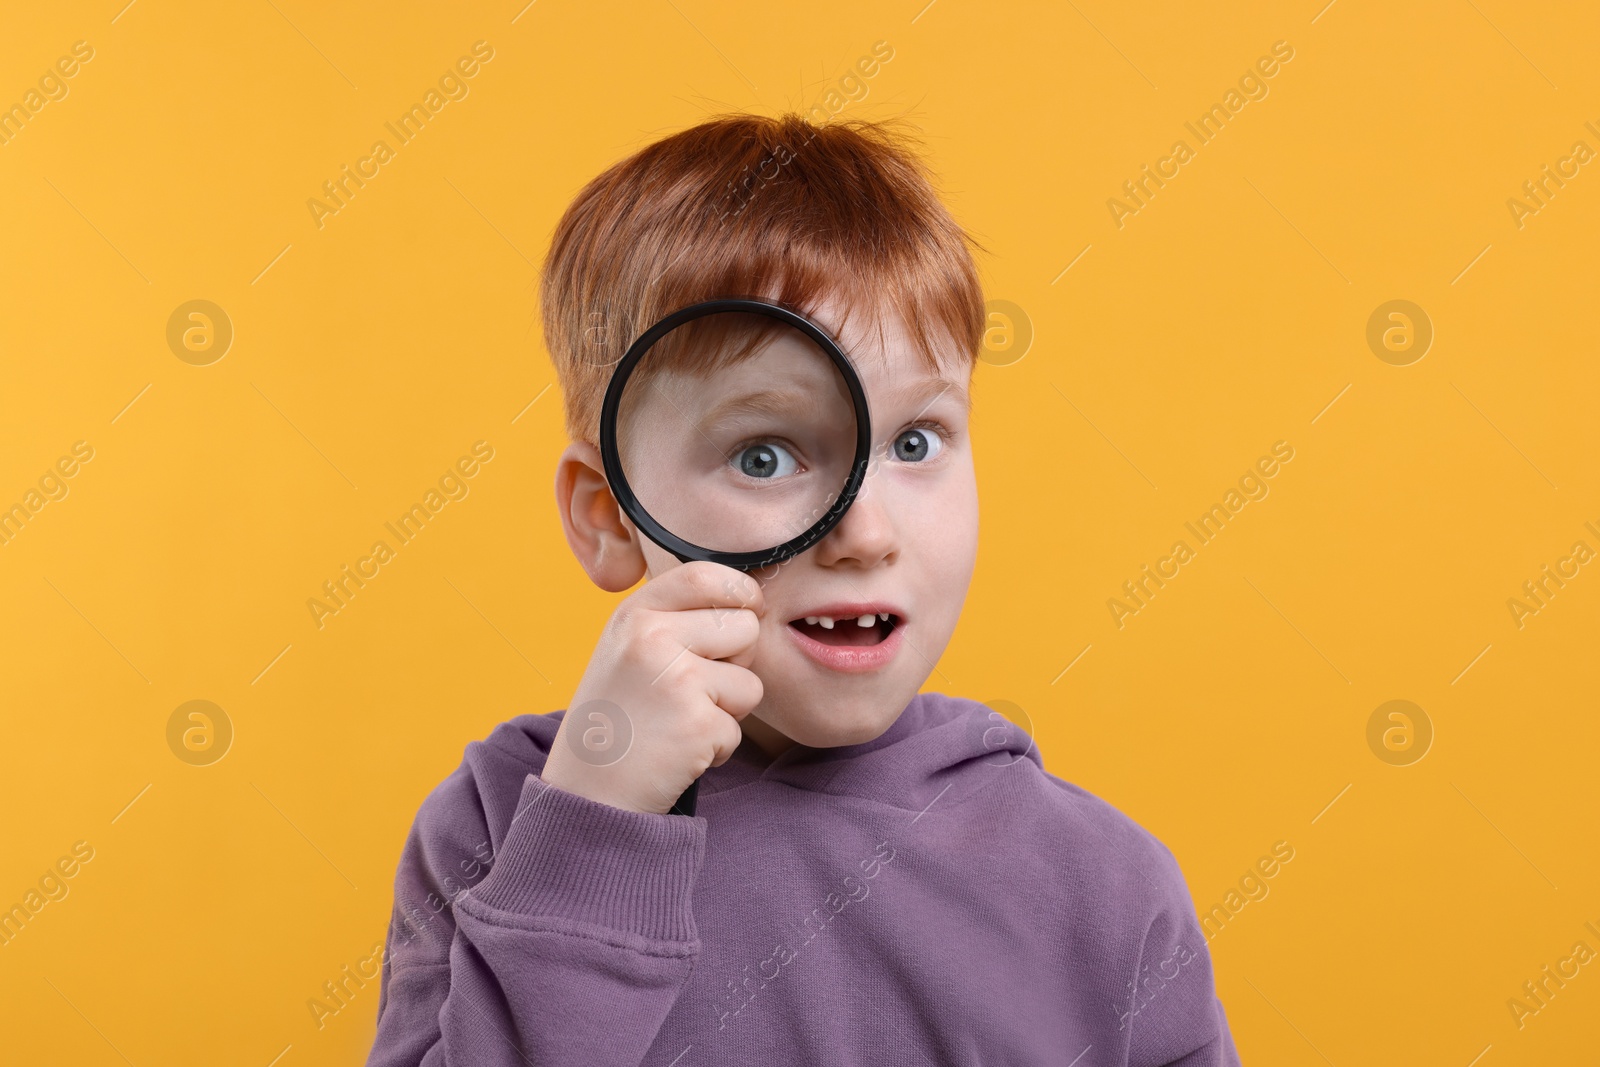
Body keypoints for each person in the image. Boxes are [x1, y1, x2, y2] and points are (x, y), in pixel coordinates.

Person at [365, 112, 1241, 1066]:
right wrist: (594, 831)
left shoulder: (1102, 885)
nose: (864, 534)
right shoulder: (500, 825)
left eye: (915, 442)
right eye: (766, 453)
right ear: (610, 516)